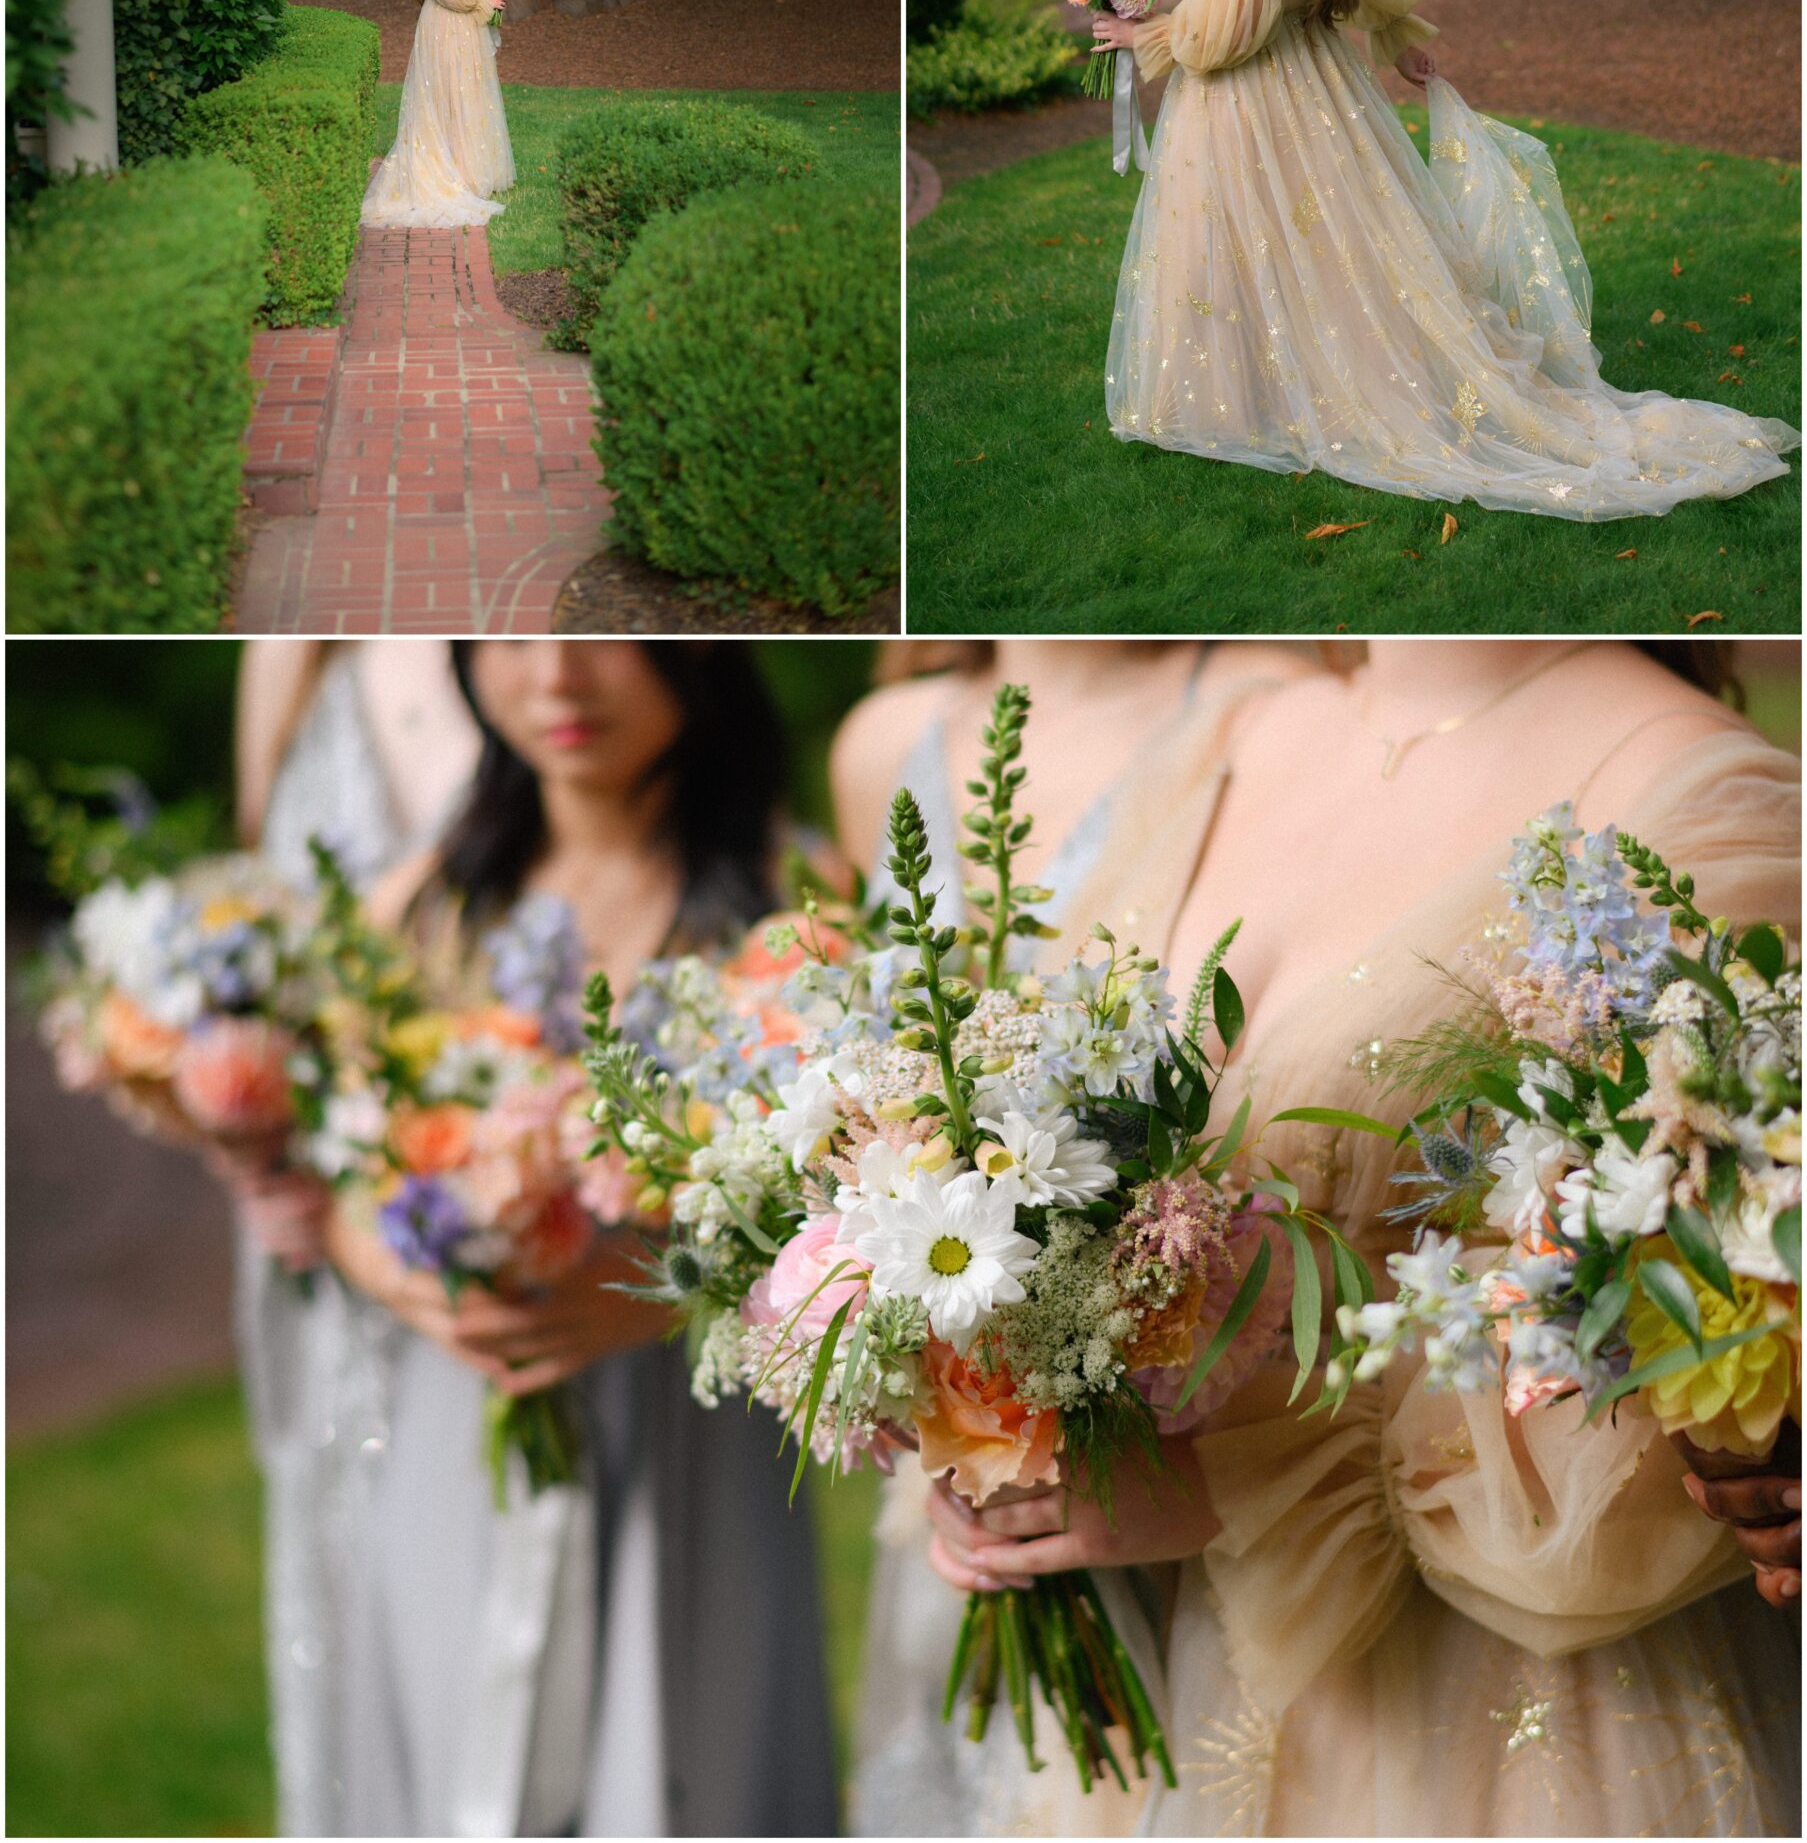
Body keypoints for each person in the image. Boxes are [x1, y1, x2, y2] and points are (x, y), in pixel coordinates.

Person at [923, 638, 1800, 1837]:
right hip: (1173, 1678)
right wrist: (991, 1419)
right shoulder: (1237, 732)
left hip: (1500, 1726)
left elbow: (1688, 1376)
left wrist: (1224, 1476)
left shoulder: (1697, 801)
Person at [234, 638, 835, 1838]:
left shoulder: (801, 904)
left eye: (607, 633)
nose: (555, 676)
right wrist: (415, 1281)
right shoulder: (419, 902)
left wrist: (660, 1297)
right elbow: (330, 1180)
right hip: (457, 1410)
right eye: (505, 640)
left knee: (697, 1758)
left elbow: (848, 1209)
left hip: (692, 1434)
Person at [831, 638, 1311, 1838]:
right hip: (963, 1431)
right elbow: (868, 1074)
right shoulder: (882, 742)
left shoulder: (1273, 717)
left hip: (1143, 1403)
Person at [1092, 0, 1797, 520]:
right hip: (1320, 86)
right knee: (1327, 244)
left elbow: (1223, 37)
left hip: (1253, 98)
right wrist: (1395, 42)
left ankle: (1238, 398)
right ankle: (1280, 381)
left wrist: (1144, 34)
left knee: (1241, 236)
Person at [362, 0, 516, 227]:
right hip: (446, 28)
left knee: (464, 94)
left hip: (460, 28)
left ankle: (464, 169)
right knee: (447, 93)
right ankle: (444, 171)